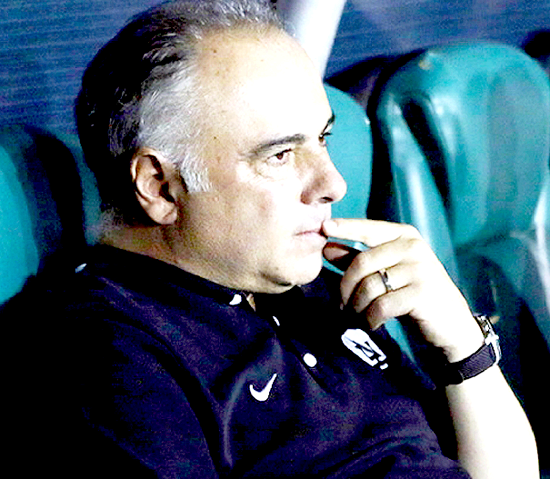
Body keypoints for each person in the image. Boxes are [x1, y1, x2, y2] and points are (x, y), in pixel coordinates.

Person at [43, 0, 537, 477]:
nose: (334, 184)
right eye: (280, 155)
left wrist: (463, 348)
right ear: (160, 185)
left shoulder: (314, 285)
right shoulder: (109, 358)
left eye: (322, 139)